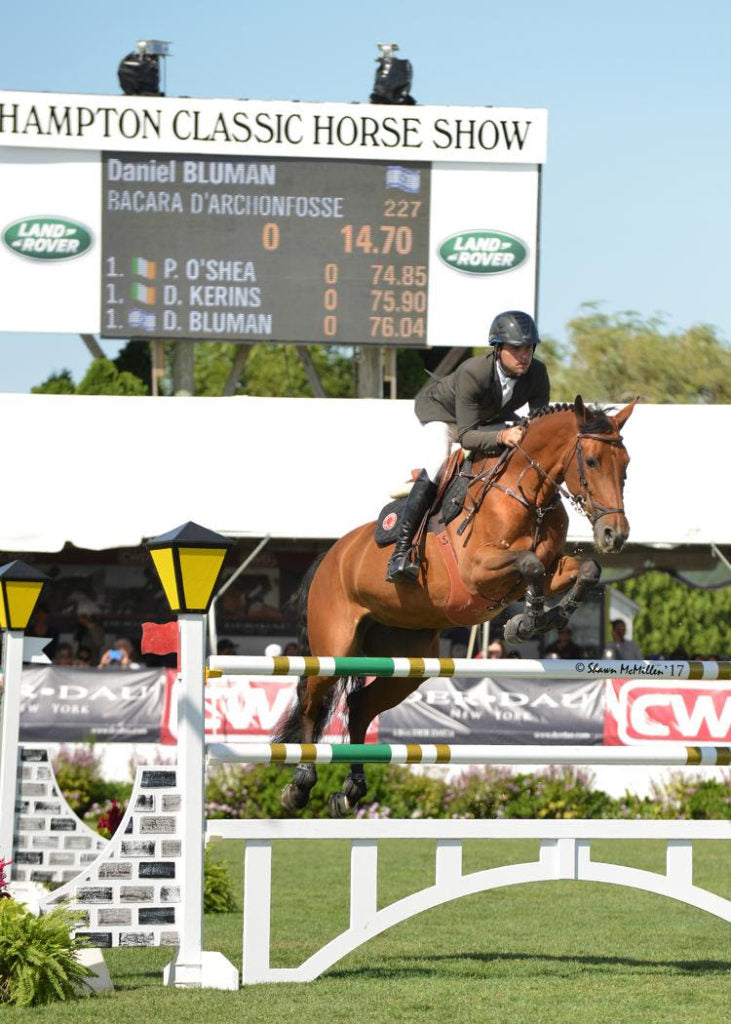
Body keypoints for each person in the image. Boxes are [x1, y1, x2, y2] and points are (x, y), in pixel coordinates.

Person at [386, 310, 550, 584]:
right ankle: (401, 553)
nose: (525, 355)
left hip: (487, 417)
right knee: (439, 465)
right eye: (516, 348)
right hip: (444, 415)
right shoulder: (474, 371)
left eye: (529, 348)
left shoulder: (538, 373)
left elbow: (540, 423)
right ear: (497, 349)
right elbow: (466, 436)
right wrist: (502, 436)